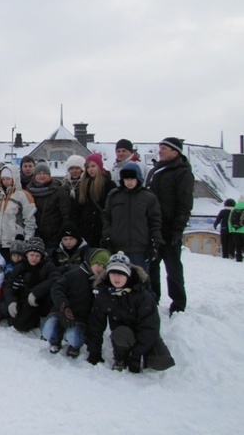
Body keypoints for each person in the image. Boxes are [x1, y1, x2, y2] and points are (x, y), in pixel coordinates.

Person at [86, 252, 175, 372]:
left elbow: (150, 328)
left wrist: (136, 356)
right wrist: (94, 352)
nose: (116, 278)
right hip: (123, 335)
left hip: (145, 334)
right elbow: (96, 325)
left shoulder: (143, 296)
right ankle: (121, 358)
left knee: (161, 361)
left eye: (121, 274)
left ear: (128, 275)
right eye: (113, 274)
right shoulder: (105, 294)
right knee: (122, 333)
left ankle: (145, 356)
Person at [144, 137, 194, 316]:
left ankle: (178, 302)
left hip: (169, 228)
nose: (160, 151)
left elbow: (184, 203)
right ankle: (153, 297)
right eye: (159, 147)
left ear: (175, 152)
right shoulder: (155, 170)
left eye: (164, 148)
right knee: (152, 266)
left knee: (173, 268)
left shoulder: (182, 173)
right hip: (152, 227)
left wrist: (177, 229)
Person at [43, 247, 109, 357]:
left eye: (103, 266)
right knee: (48, 329)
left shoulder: (102, 284)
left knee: (73, 337)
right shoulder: (74, 273)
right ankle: (55, 341)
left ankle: (74, 346)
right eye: (97, 264)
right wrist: (63, 306)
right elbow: (57, 287)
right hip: (61, 311)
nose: (99, 268)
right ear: (91, 261)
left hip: (79, 319)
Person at [102, 162, 163, 271]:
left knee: (140, 280)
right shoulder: (114, 195)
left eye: (132, 179)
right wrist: (107, 235)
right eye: (126, 179)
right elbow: (106, 217)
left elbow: (155, 221)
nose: (129, 182)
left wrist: (155, 242)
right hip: (118, 246)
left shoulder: (148, 197)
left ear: (138, 178)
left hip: (140, 247)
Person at [7, 236, 58, 333]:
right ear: (27, 255)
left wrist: (36, 292)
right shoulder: (20, 266)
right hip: (23, 298)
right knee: (13, 319)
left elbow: (55, 278)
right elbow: (8, 285)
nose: (34, 258)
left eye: (37, 256)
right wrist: (11, 301)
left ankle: (41, 318)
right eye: (32, 255)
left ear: (42, 256)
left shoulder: (48, 266)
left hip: (40, 300)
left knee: (21, 324)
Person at [0, 163, 36, 262]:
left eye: (8, 179)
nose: (5, 181)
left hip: (15, 240)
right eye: (3, 179)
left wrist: (28, 239)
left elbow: (29, 219)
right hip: (0, 241)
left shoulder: (22, 195)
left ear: (14, 178)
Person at [73, 153, 116, 248]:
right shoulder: (82, 186)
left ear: (99, 166)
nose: (90, 169)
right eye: (88, 167)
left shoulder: (109, 185)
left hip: (101, 230)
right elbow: (77, 210)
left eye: (93, 166)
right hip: (85, 231)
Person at [26, 162, 71, 250]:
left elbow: (66, 214)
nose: (42, 176)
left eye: (45, 173)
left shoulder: (59, 191)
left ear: (49, 175)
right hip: (34, 234)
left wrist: (62, 233)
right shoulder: (28, 192)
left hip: (54, 235)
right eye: (39, 173)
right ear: (34, 176)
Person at [229, 196, 244, 262]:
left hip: (235, 230)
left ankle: (239, 258)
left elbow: (229, 220)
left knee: (237, 245)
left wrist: (230, 230)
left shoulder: (233, 209)